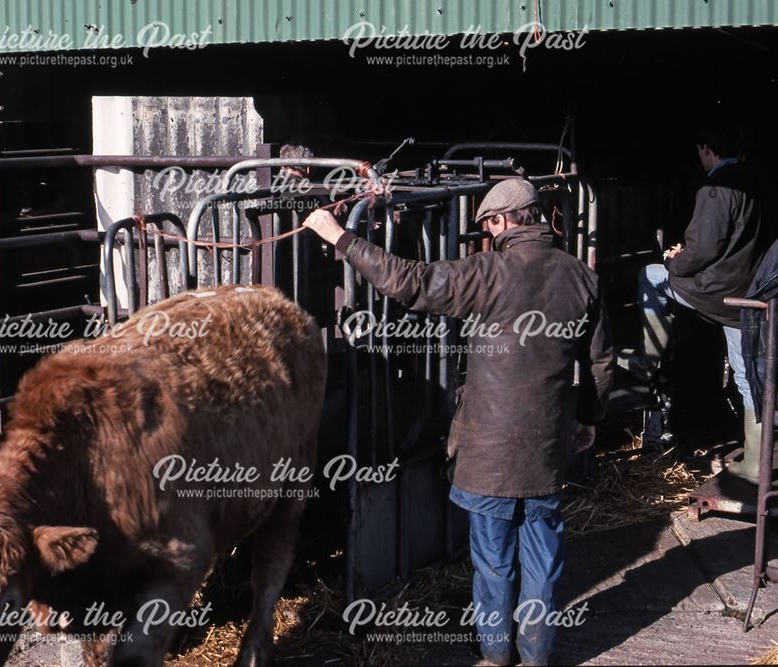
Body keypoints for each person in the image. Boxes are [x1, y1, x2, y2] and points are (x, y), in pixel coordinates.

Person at [304, 178, 614, 665]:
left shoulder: (486, 273)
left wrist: (341, 237)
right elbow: (600, 362)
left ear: (503, 221)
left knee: (493, 560)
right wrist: (588, 418)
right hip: (548, 448)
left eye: (489, 225)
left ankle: (494, 651)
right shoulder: (581, 278)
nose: (489, 235)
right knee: (544, 555)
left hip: (490, 450)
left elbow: (409, 281)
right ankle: (537, 652)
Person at [637, 124, 767, 482]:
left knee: (651, 276)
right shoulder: (757, 181)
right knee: (747, 376)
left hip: (714, 292)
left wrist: (673, 260)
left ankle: (647, 360)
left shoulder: (715, 189)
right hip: (747, 295)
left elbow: (702, 250)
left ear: (706, 149)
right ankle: (758, 460)